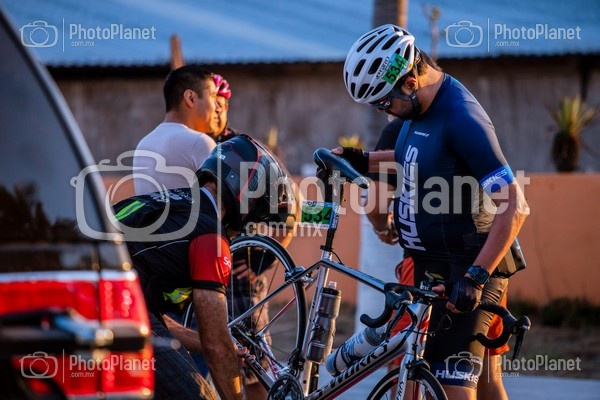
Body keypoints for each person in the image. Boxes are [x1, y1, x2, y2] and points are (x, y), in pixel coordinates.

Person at [335, 24, 529, 400]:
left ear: (410, 82)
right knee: (471, 381)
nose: (381, 111)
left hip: (467, 268)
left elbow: (515, 206)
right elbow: (415, 156)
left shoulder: (462, 118)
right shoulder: (421, 106)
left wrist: (474, 278)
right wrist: (362, 159)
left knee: (451, 387)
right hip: (433, 264)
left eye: (382, 102)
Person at [113, 135, 296, 399]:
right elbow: (215, 346)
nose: (241, 231)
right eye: (252, 218)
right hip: (115, 308)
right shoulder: (210, 235)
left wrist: (221, 344)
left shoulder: (169, 201)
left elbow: (153, 317)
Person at [368, 117, 511, 400]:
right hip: (490, 260)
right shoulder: (465, 120)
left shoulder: (400, 129)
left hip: (429, 264)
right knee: (484, 372)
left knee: (408, 363)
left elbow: (375, 203)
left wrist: (384, 227)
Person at [133, 65, 220, 195]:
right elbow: (221, 202)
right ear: (190, 98)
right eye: (212, 96)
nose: (217, 107)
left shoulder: (143, 145)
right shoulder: (200, 142)